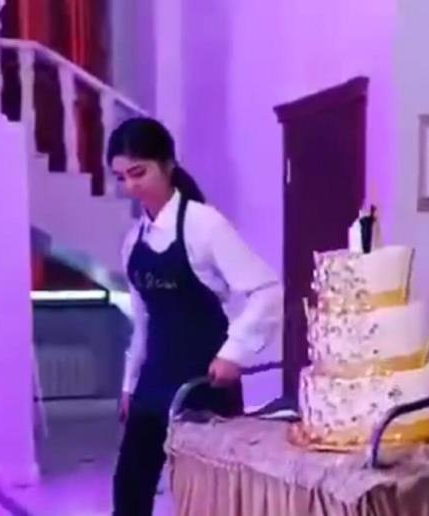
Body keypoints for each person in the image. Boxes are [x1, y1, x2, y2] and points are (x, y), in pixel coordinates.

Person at [108, 117, 283, 515]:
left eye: (139, 173)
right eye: (121, 177)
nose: (130, 187)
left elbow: (268, 290)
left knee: (208, 496)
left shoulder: (204, 225)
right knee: (130, 491)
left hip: (204, 380)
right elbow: (142, 323)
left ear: (167, 165)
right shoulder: (134, 240)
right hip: (153, 380)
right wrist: (129, 384)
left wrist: (233, 353)